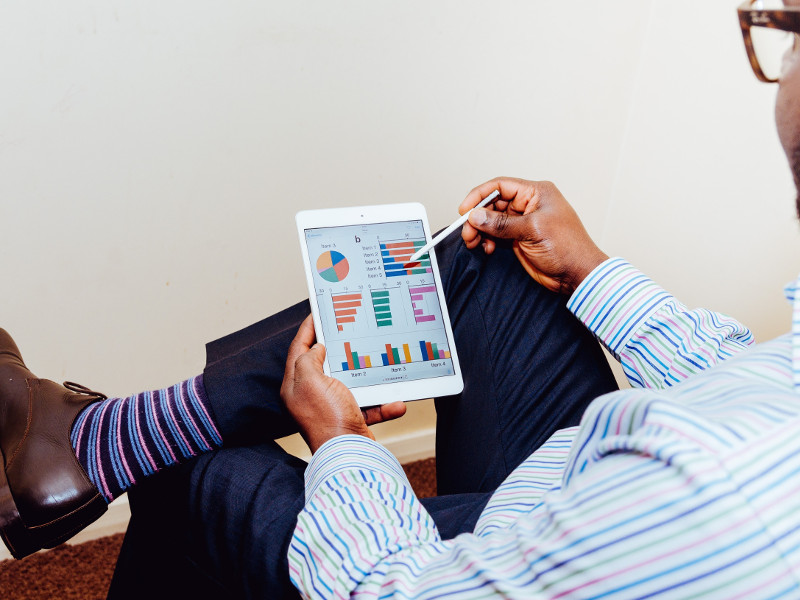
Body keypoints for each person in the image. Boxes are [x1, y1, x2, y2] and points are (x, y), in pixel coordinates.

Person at [2, 0, 798, 597]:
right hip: (582, 488)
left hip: (513, 553)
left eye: (789, 26)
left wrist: (345, 446)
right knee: (483, 261)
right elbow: (742, 382)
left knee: (199, 469)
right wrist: (588, 269)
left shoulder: (726, 491)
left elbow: (399, 589)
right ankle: (83, 450)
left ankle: (102, 448)